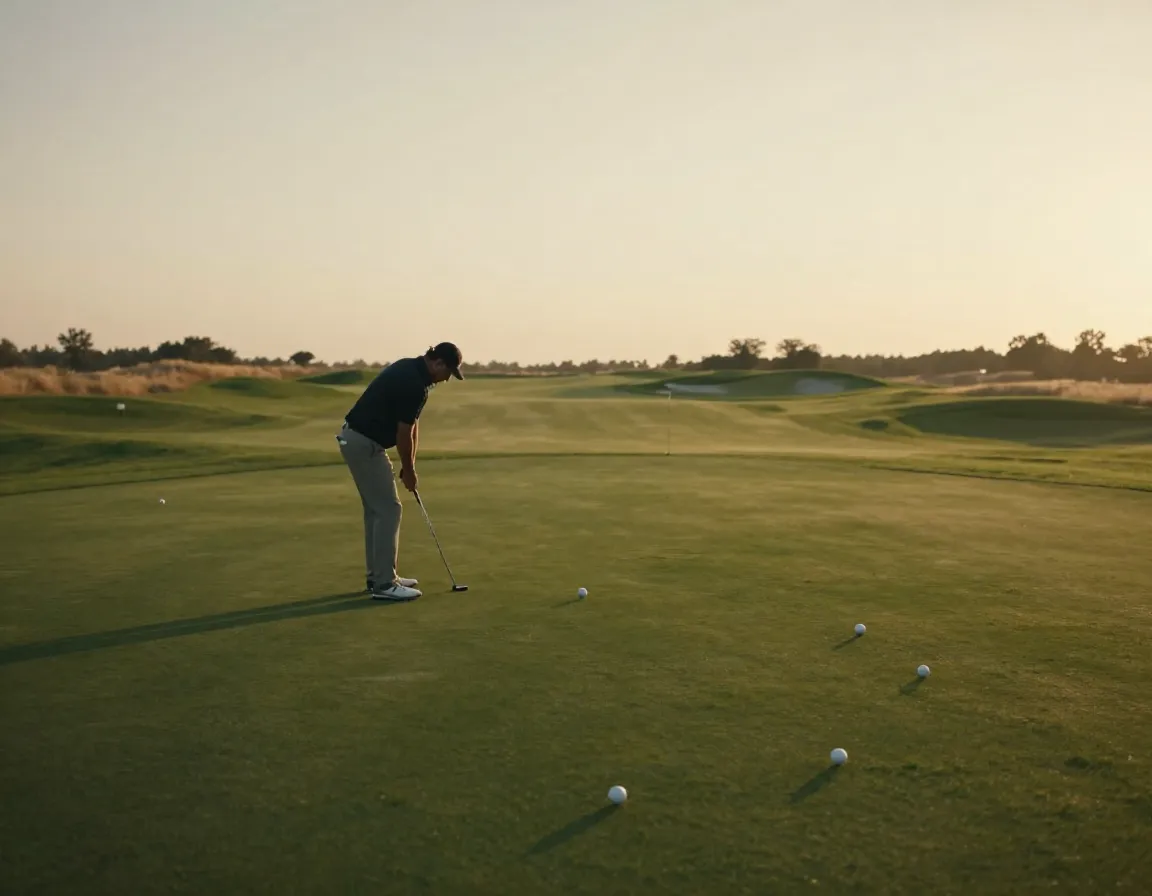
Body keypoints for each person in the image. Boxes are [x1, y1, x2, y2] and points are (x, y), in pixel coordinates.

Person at [336, 342, 464, 600]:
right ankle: (385, 584)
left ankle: (379, 576)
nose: (447, 379)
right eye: (448, 372)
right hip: (364, 443)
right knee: (388, 509)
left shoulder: (411, 370)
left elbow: (411, 427)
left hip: (359, 440)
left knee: (377, 509)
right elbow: (403, 434)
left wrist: (410, 467)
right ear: (437, 363)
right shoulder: (414, 384)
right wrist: (408, 469)